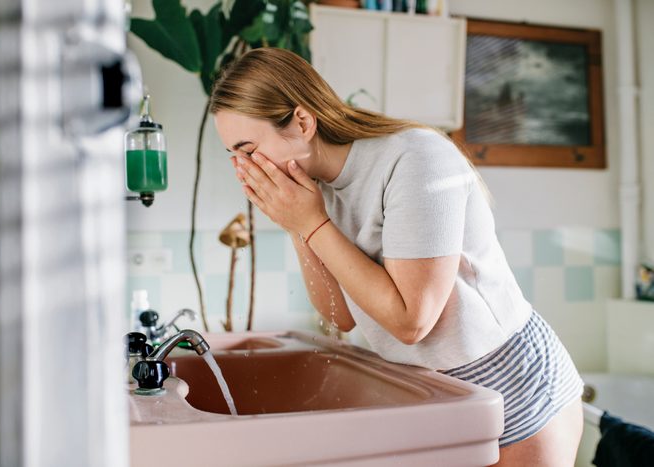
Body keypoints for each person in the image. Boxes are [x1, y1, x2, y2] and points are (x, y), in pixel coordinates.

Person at [209, 47, 584, 466]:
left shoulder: (415, 158)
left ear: (301, 122)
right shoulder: (316, 191)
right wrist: (300, 224)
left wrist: (312, 223)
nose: (243, 168)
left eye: (248, 149)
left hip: (514, 388)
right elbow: (341, 317)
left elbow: (412, 321)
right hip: (439, 396)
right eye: (234, 155)